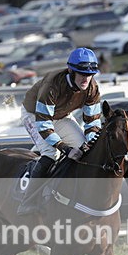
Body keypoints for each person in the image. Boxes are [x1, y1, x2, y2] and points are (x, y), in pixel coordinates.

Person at [16, 47, 102, 216]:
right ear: (71, 70)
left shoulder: (92, 88)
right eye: (81, 73)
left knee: (85, 150)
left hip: (61, 115)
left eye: (90, 74)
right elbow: (44, 125)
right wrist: (65, 148)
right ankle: (27, 201)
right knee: (51, 153)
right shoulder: (53, 84)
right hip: (35, 115)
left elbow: (92, 122)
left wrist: (90, 142)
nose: (86, 78)